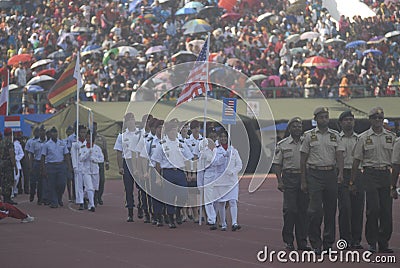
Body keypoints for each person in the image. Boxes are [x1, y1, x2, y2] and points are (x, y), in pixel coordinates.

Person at [300, 107, 344, 254]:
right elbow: (303, 159)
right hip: (314, 174)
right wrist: (303, 180)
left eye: (326, 117)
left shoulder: (335, 136)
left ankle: (328, 243)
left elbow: (339, 156)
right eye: (321, 117)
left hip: (331, 174)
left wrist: (341, 174)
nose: (324, 119)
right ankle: (315, 243)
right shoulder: (308, 136)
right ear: (316, 119)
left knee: (331, 211)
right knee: (315, 211)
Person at [351, 107, 396, 253]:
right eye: (375, 118)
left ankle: (384, 242)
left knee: (386, 211)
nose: (378, 121)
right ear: (370, 120)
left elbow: (396, 160)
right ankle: (372, 241)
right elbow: (356, 161)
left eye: (380, 118)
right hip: (370, 174)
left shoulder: (391, 136)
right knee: (373, 209)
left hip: (386, 174)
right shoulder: (363, 137)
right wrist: (352, 181)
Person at [274, 117, 310, 251]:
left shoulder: (307, 143)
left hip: (304, 177)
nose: (297, 129)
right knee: (290, 210)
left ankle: (302, 242)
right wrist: (279, 181)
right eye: (294, 126)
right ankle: (288, 240)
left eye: (299, 126)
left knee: (303, 211)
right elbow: (277, 164)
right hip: (289, 177)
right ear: (289, 129)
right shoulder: (283, 144)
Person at [151, 121, 194, 228]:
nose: (174, 132)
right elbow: (157, 162)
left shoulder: (181, 143)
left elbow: (188, 159)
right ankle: (171, 218)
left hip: (179, 172)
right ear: (168, 132)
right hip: (167, 172)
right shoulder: (162, 144)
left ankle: (178, 211)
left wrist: (189, 173)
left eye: (176, 130)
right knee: (169, 196)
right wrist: (158, 177)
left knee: (183, 195)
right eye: (172, 130)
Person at [337, 111, 364, 249]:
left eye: (351, 119)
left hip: (358, 174)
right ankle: (345, 239)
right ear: (341, 123)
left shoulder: (360, 139)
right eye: (346, 120)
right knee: (345, 208)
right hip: (343, 173)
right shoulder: (336, 138)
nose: (349, 122)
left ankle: (356, 239)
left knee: (358, 208)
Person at [114, 113, 141, 222]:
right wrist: (120, 167)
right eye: (128, 120)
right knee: (128, 189)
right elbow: (119, 152)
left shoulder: (140, 134)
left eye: (132, 120)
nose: (130, 122)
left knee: (141, 187)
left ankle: (141, 207)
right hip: (127, 161)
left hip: (139, 162)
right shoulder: (122, 136)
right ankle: (130, 211)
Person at [214, 129, 243, 231]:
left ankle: (234, 222)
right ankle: (223, 223)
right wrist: (224, 156)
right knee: (221, 202)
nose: (223, 138)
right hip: (220, 180)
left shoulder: (233, 150)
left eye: (225, 136)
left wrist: (233, 171)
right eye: (221, 136)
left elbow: (239, 165)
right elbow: (215, 163)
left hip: (232, 180)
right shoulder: (216, 150)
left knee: (233, 201)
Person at [40, 127, 71, 208]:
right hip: (51, 166)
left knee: (62, 184)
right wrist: (43, 169)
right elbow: (43, 157)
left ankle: (59, 197)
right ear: (50, 134)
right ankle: (54, 201)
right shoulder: (46, 145)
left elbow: (66, 155)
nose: (54, 134)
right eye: (53, 133)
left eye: (55, 132)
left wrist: (69, 166)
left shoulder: (62, 143)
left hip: (61, 165)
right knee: (52, 184)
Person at [199, 138, 224, 230]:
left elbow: (221, 163)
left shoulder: (220, 150)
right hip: (208, 177)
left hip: (218, 176)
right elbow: (200, 169)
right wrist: (199, 183)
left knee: (217, 199)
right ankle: (211, 219)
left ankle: (216, 217)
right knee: (208, 200)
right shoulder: (203, 153)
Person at [79, 131, 104, 212]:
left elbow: (101, 159)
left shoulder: (97, 148)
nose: (89, 139)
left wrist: (95, 160)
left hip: (95, 171)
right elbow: (81, 158)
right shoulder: (83, 147)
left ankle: (82, 197)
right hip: (86, 171)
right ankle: (92, 205)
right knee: (89, 188)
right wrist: (87, 154)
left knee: (93, 188)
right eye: (88, 137)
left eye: (91, 137)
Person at [26, 126, 47, 204]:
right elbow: (31, 155)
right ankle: (32, 193)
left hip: (44, 163)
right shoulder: (34, 143)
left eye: (43, 131)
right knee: (33, 181)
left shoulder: (47, 142)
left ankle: (40, 198)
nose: (41, 133)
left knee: (41, 182)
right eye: (40, 131)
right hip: (36, 162)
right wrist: (30, 166)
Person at [70, 125, 88, 210]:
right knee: (79, 186)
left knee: (88, 185)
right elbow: (73, 156)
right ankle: (81, 202)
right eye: (81, 132)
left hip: (87, 168)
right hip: (79, 167)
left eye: (84, 132)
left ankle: (86, 198)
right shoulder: (75, 144)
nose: (83, 134)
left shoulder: (89, 143)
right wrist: (75, 167)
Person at [93, 122, 109, 206]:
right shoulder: (88, 138)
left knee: (101, 180)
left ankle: (99, 196)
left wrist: (107, 161)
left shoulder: (101, 138)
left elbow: (105, 150)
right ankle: (93, 197)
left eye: (95, 127)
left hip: (100, 162)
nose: (94, 129)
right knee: (93, 180)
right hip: (91, 162)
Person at [0, 128, 17, 205]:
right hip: (8, 164)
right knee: (9, 181)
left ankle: (5, 198)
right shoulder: (9, 143)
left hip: (2, 164)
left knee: (3, 181)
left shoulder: (1, 142)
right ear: (10, 134)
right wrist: (15, 166)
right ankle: (8, 198)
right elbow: (12, 155)